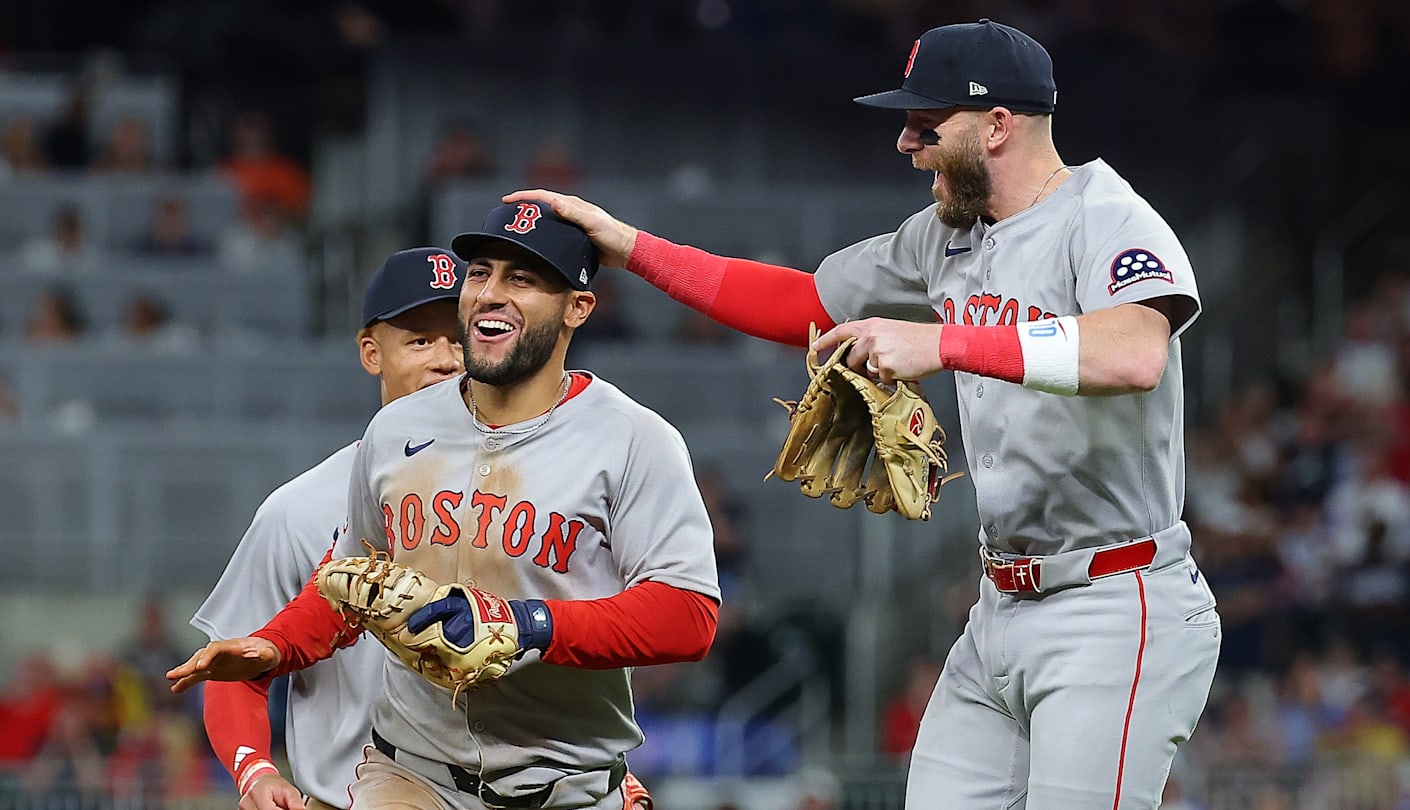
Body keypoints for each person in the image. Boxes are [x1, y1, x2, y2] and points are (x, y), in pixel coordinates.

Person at [504, 19, 1222, 808]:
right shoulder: (944, 239)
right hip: (1000, 607)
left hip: (1116, 607)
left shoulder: (1104, 213)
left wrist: (944, 341)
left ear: (996, 127)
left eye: (925, 123)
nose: (905, 143)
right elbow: (800, 302)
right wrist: (633, 247)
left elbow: (1133, 353)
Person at [168, 201, 721, 809]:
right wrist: (278, 645)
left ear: (577, 307)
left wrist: (528, 625)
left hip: (568, 783)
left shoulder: (635, 439)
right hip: (411, 775)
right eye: (481, 272)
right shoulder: (393, 434)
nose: (491, 293)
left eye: (522, 278)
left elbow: (688, 614)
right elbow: (349, 584)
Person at [187, 246, 466, 810]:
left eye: (461, 338)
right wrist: (254, 769)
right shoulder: (301, 508)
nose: (446, 359)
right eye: (420, 340)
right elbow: (235, 667)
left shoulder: (526, 495)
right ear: (371, 352)